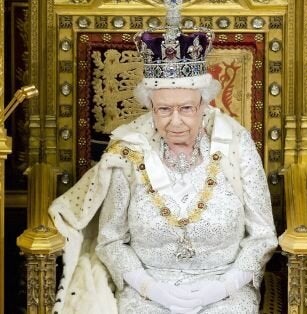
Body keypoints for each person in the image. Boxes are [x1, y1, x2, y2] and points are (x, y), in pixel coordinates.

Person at [48, 1, 277, 313]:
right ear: (151, 108)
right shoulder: (128, 152)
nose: (176, 121)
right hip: (146, 293)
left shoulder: (236, 147)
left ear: (204, 106)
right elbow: (110, 241)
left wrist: (223, 286)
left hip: (226, 291)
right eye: (164, 109)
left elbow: (262, 235)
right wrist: (151, 289)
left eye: (186, 108)